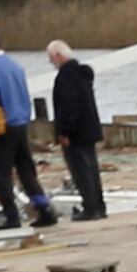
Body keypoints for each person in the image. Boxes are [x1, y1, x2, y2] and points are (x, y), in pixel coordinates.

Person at [0, 29, 54, 226]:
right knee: (26, 170)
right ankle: (44, 210)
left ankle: (12, 216)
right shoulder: (15, 65)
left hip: (2, 124)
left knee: (1, 173)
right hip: (20, 122)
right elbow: (25, 94)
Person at [46, 37, 107, 219]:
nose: (50, 62)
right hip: (89, 128)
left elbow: (69, 106)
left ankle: (90, 208)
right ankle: (98, 205)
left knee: (81, 171)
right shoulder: (82, 74)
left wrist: (65, 131)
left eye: (51, 58)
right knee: (92, 169)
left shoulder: (66, 77)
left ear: (58, 55)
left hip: (76, 132)